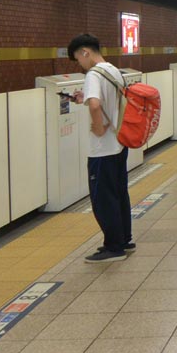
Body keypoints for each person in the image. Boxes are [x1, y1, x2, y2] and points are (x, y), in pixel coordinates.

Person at [68, 33, 133, 263]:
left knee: (103, 198)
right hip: (120, 143)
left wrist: (97, 127)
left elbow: (95, 104)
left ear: (85, 52)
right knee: (119, 192)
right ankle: (125, 239)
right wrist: (83, 98)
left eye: (78, 58)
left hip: (103, 148)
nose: (80, 64)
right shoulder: (113, 70)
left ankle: (113, 247)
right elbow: (107, 100)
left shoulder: (93, 74)